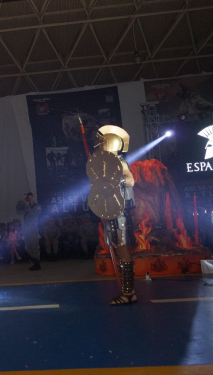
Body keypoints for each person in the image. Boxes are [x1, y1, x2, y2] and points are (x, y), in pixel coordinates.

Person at [87, 125, 137, 305]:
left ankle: (129, 293)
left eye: (101, 143)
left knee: (123, 249)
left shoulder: (120, 162)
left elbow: (130, 181)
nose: (98, 146)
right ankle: (128, 292)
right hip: (110, 210)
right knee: (117, 247)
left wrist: (113, 181)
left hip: (119, 211)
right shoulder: (105, 165)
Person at [16, 192, 42, 271]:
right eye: (28, 198)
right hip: (26, 228)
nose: (29, 199)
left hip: (33, 228)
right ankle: (34, 260)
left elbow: (33, 215)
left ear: (33, 197)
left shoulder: (37, 206)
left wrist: (27, 205)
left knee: (34, 246)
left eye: (30, 197)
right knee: (27, 246)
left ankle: (37, 263)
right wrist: (22, 199)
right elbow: (18, 208)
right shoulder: (25, 205)